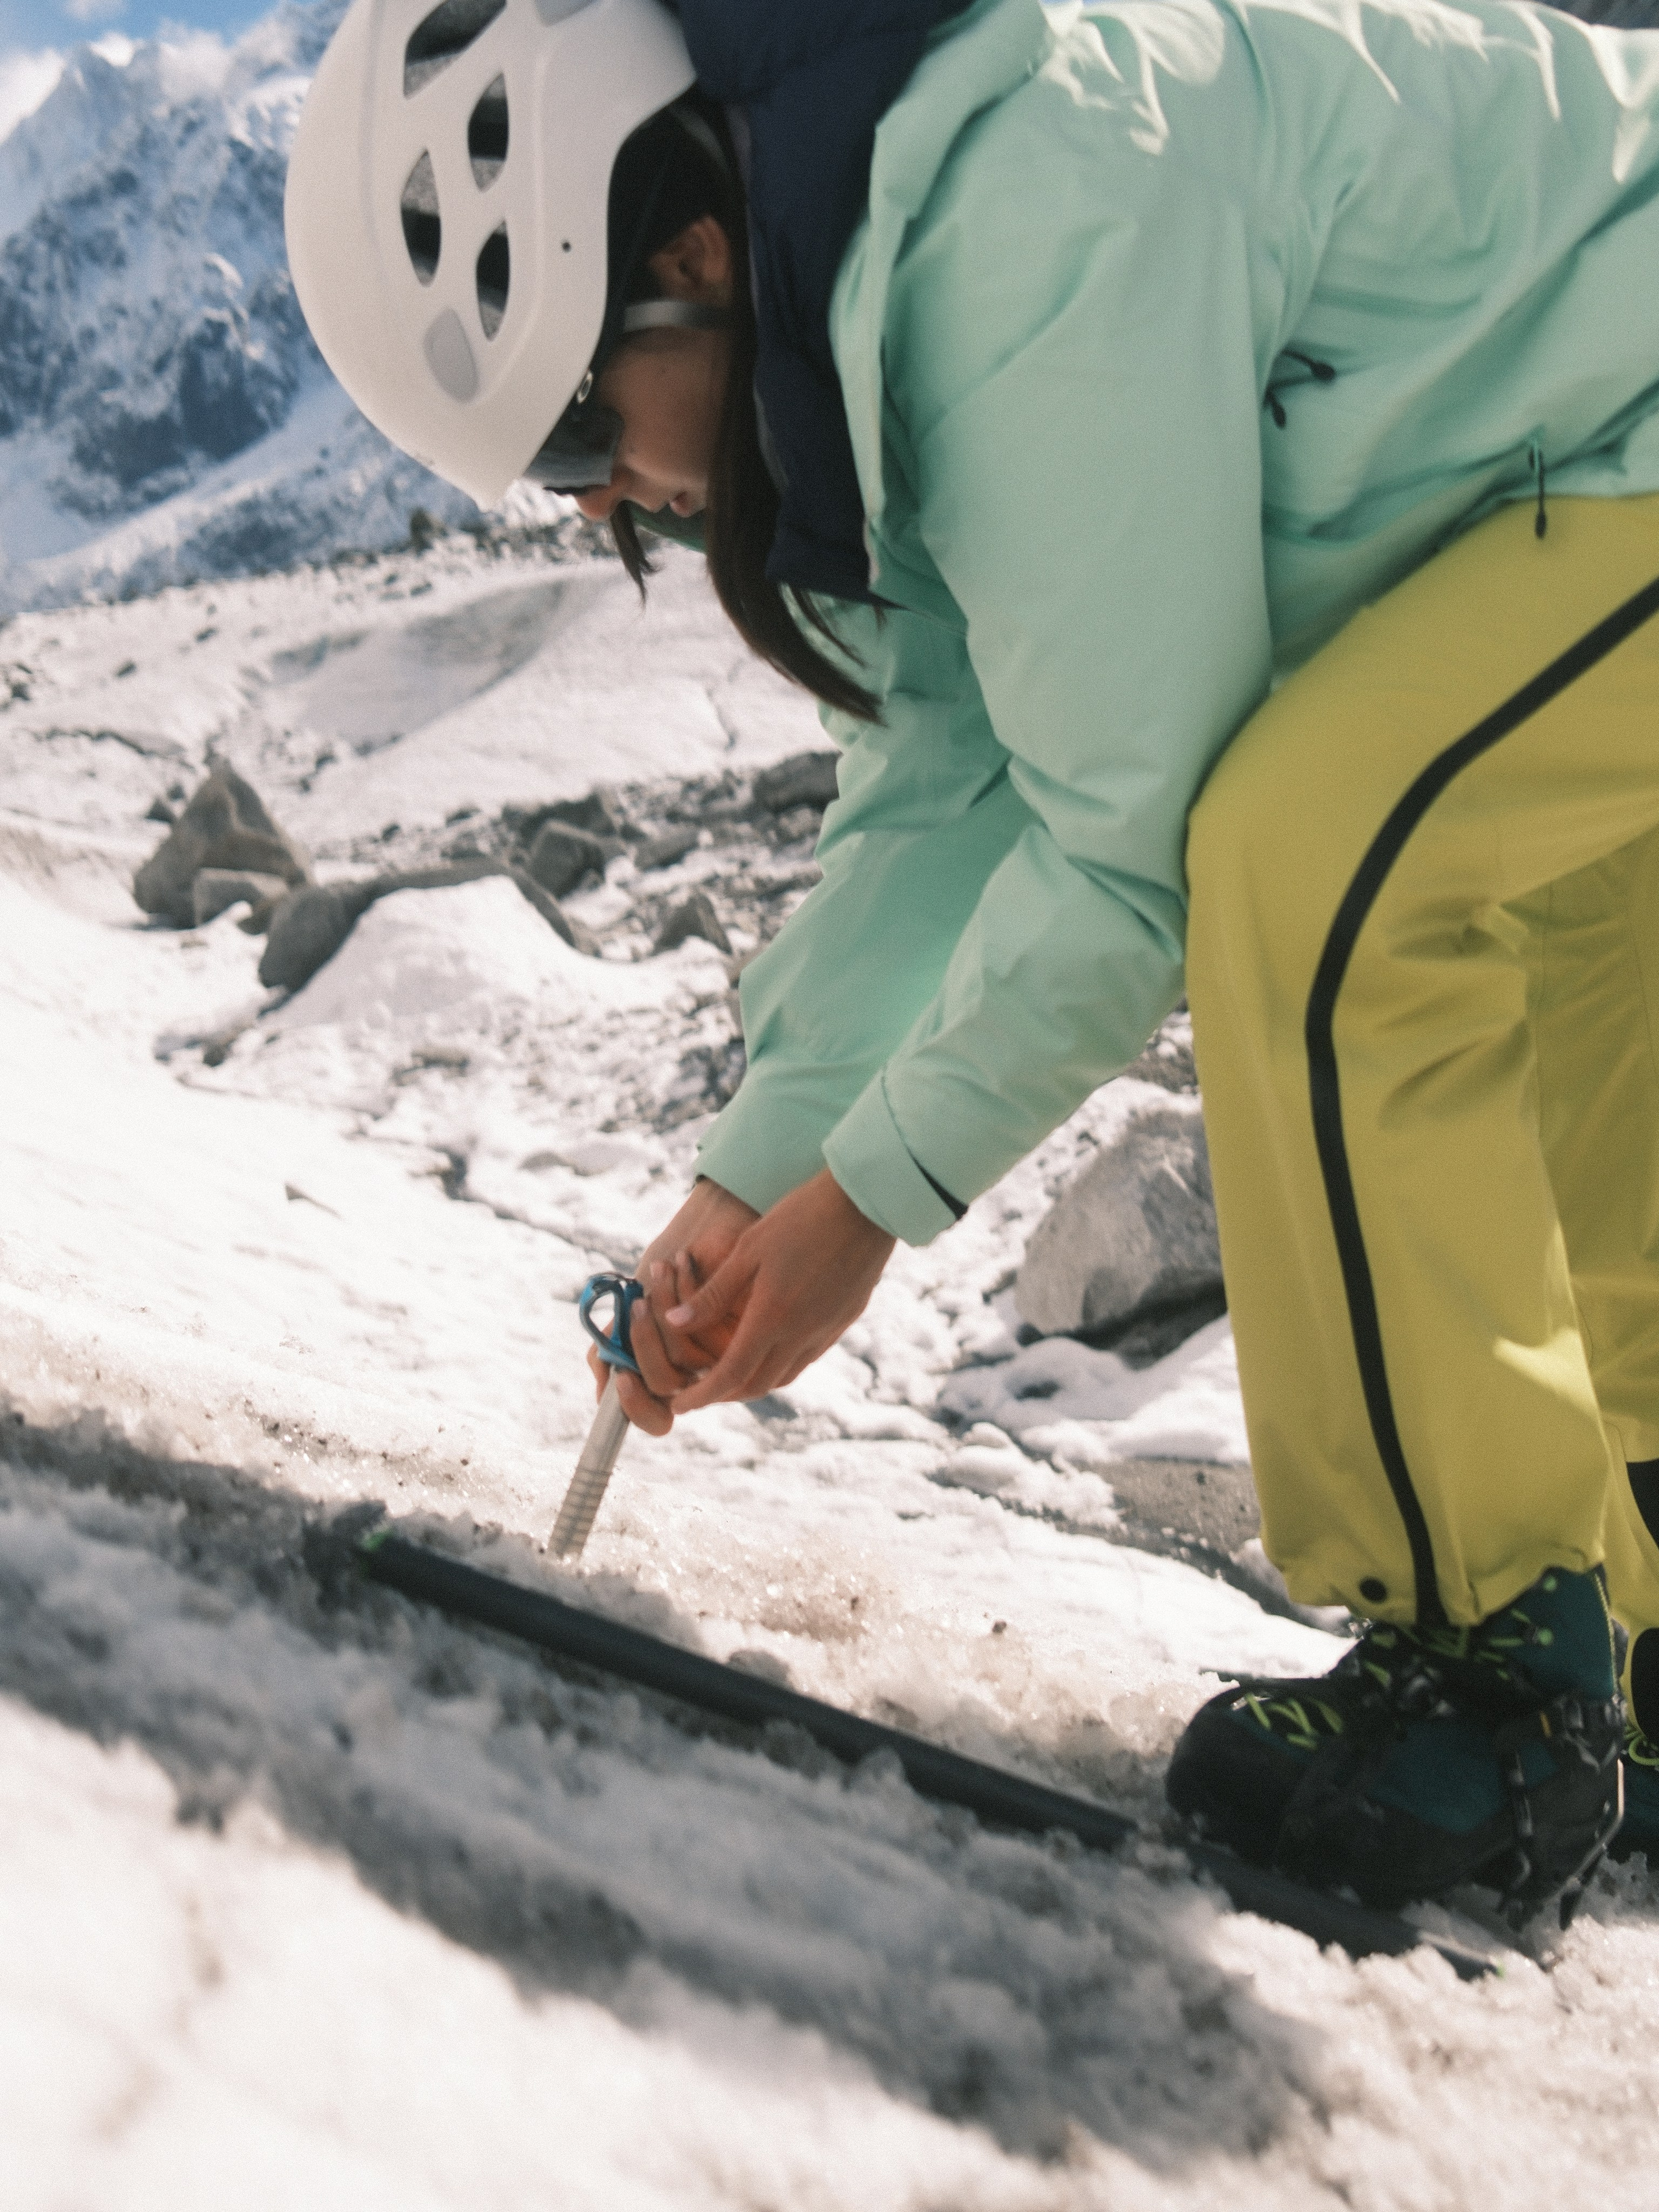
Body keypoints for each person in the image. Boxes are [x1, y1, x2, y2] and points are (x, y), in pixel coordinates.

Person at [286, 0, 1659, 1920]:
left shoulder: (1030, 209)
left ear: (682, 252)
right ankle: (1636, 1636)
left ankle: (1501, 1680)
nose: (596, 500)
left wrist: (869, 1206)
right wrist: (754, 1178)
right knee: (1559, 949)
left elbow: (1123, 847)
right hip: (1581, 467)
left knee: (1311, 857)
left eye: (579, 426)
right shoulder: (872, 286)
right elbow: (948, 783)